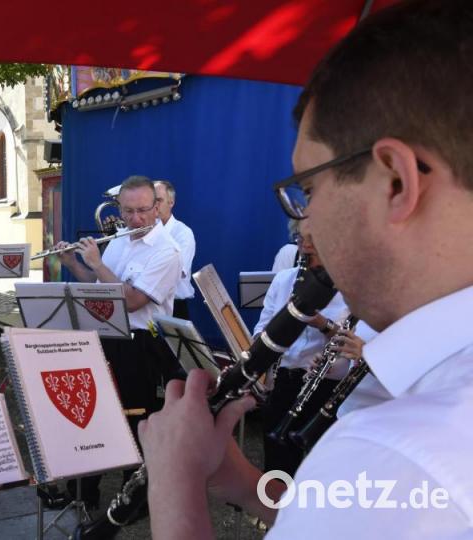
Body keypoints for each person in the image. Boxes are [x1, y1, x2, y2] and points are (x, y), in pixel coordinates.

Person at [138, 1, 473, 537]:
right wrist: (245, 482)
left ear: (395, 182)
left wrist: (173, 486)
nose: (306, 223)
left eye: (309, 188)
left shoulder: (398, 449)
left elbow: (384, 481)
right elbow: (352, 508)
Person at [54, 175, 182, 508]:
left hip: (139, 342)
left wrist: (97, 262)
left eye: (142, 210)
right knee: (93, 414)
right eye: (128, 211)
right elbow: (98, 285)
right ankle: (84, 493)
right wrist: (73, 263)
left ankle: (135, 498)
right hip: (105, 335)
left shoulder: (167, 251)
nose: (135, 219)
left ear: (156, 208)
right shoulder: (122, 239)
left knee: (134, 419)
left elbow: (134, 300)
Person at [255, 227, 349, 476]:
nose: (306, 245)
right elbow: (261, 330)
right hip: (285, 381)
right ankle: (273, 511)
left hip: (328, 386)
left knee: (323, 471)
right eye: (300, 237)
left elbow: (357, 342)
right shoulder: (284, 279)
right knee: (277, 466)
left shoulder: (352, 287)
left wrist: (321, 323)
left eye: (314, 237)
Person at [153, 180, 196, 319]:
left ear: (171, 202)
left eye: (158, 200)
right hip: (146, 307)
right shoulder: (142, 231)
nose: (154, 205)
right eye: (151, 200)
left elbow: (176, 273)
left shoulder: (183, 233)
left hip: (175, 307)